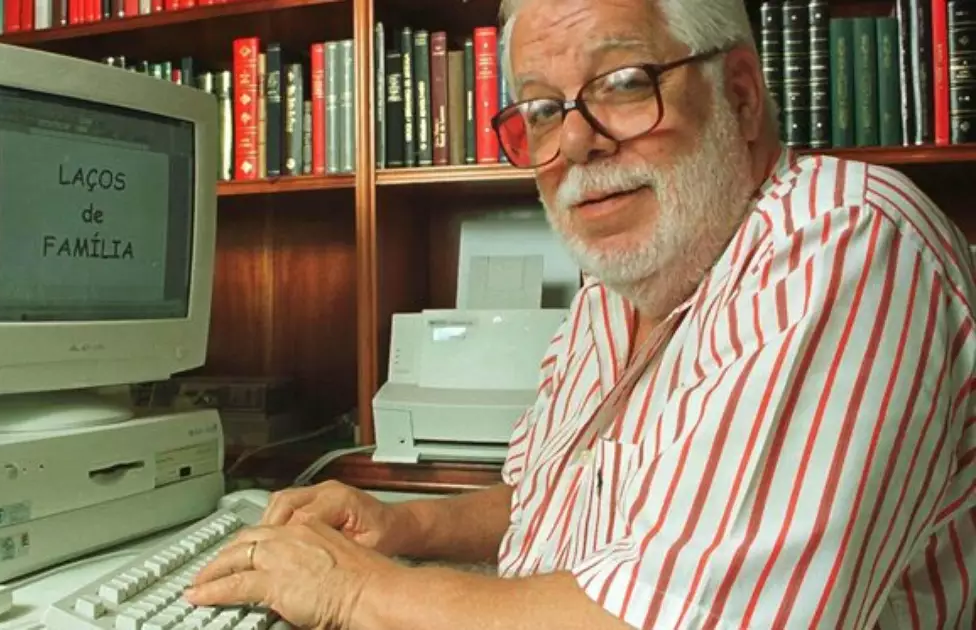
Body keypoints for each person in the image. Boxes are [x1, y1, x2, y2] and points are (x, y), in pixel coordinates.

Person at [187, 0, 976, 627]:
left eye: (625, 83)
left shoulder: (844, 242)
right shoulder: (616, 286)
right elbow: (568, 511)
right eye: (539, 108)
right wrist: (404, 527)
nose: (573, 142)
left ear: (739, 95)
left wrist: (355, 591)